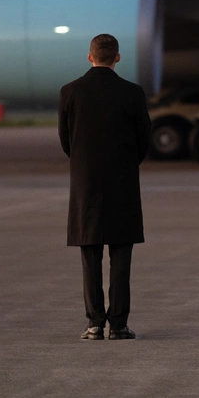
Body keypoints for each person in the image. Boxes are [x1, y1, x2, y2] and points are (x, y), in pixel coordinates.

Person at [59, 33, 151, 340]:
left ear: (90, 57)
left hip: (86, 185)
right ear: (118, 58)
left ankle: (94, 323)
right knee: (121, 256)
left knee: (90, 255)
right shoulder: (133, 93)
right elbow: (143, 142)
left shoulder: (70, 92)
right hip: (122, 183)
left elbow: (66, 141)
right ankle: (119, 324)